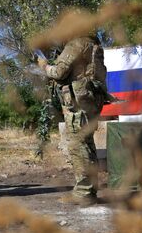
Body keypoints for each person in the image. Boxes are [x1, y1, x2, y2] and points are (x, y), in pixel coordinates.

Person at [38, 35, 107, 205]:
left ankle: (84, 193)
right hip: (91, 102)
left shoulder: (77, 43)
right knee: (87, 146)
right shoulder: (94, 45)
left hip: (78, 105)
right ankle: (88, 191)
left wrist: (45, 66)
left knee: (78, 146)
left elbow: (59, 72)